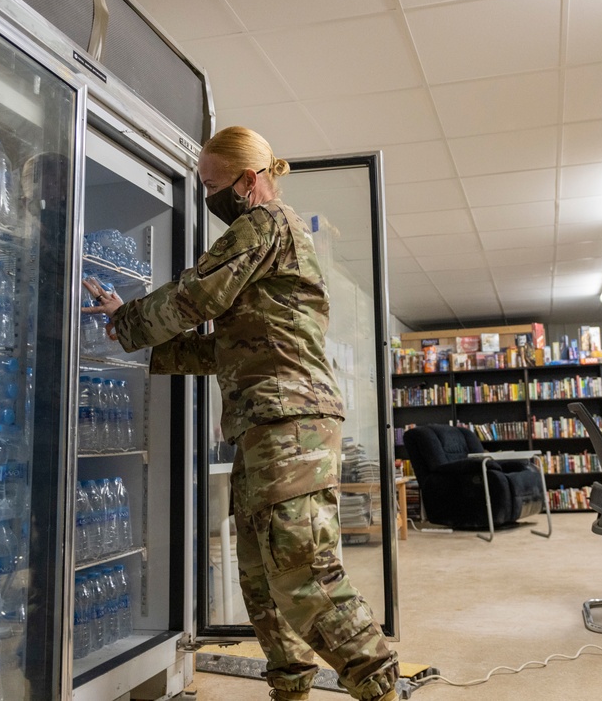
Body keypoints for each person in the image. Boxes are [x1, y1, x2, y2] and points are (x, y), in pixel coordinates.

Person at [83, 126, 399, 701]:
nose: (208, 197)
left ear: (250, 182)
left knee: (303, 573)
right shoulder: (274, 241)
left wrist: (128, 321)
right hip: (267, 423)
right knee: (260, 576)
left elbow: (196, 296)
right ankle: (291, 689)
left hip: (290, 424)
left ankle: (381, 687)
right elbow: (231, 349)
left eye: (211, 185)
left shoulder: (266, 224)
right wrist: (133, 329)